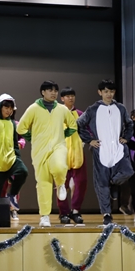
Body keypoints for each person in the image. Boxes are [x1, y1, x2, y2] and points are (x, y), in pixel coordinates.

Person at [16, 81, 76, 227]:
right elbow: (21, 128)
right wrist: (33, 138)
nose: (53, 93)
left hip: (58, 146)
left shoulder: (62, 109)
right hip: (39, 151)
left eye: (55, 90)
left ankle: (61, 184)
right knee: (43, 184)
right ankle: (44, 216)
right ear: (43, 92)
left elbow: (73, 125)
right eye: (50, 90)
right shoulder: (33, 108)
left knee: (60, 167)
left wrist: (62, 135)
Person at [76, 79, 134, 226]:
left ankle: (114, 184)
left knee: (127, 172)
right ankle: (107, 214)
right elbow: (79, 124)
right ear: (100, 92)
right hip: (101, 150)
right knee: (101, 184)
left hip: (118, 149)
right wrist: (89, 140)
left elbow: (129, 124)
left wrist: (126, 138)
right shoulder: (92, 109)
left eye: (111, 91)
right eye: (106, 91)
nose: (109, 94)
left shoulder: (120, 108)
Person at [0, 94, 28, 219]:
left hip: (11, 159)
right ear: (0, 107)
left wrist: (18, 157)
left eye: (11, 108)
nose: (8, 110)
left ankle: (12, 196)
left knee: (23, 171)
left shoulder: (13, 123)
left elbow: (15, 143)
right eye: (6, 107)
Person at [56, 87, 87, 225]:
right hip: (61, 154)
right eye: (67, 96)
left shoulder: (80, 114)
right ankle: (63, 213)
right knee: (61, 185)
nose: (70, 98)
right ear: (62, 98)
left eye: (72, 95)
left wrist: (84, 142)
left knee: (81, 183)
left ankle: (75, 211)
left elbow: (87, 130)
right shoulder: (56, 114)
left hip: (77, 153)